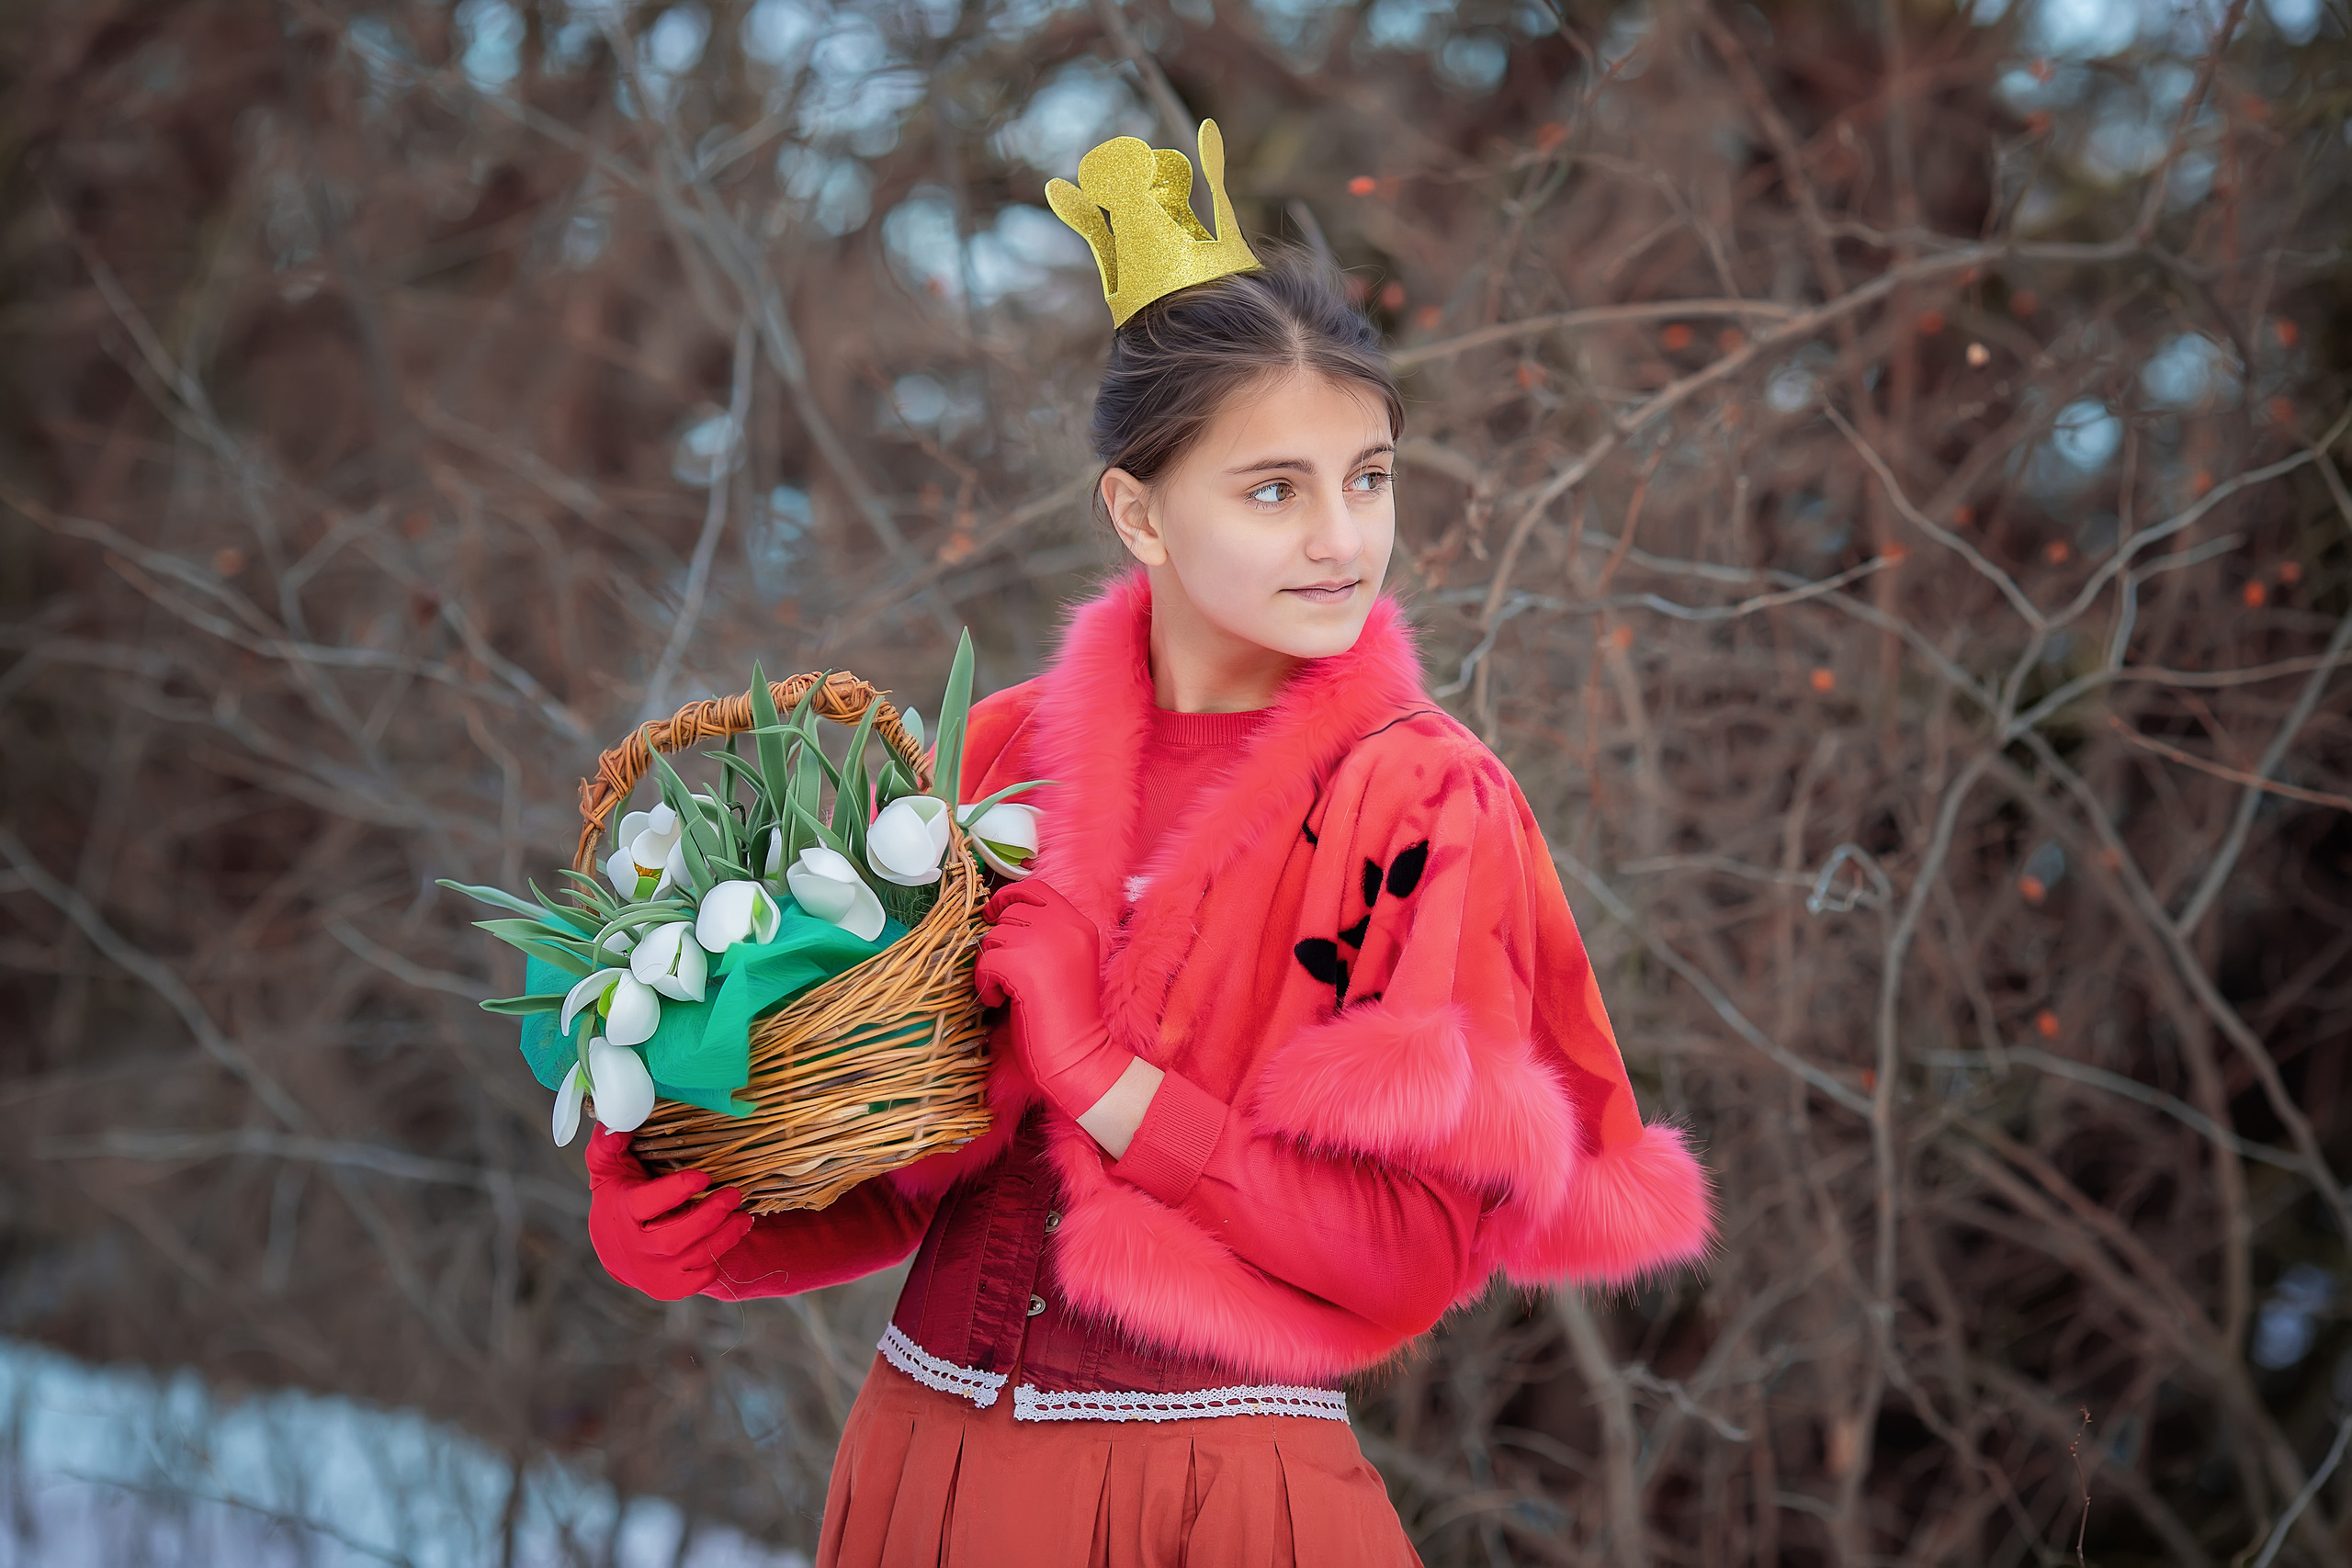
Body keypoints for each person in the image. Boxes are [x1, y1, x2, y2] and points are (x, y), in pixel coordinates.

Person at [582, 122, 1713, 1567]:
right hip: (914, 1478)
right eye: (1272, 489)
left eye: (1369, 477)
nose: (1341, 540)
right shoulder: (993, 759)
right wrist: (711, 1221)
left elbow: (1408, 1256)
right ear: (1139, 511)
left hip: (1214, 1500)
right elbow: (913, 1162)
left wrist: (1106, 1081)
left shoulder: (1421, 807)